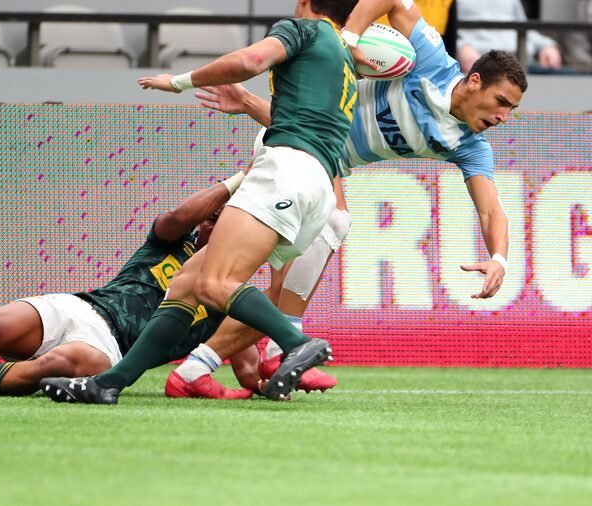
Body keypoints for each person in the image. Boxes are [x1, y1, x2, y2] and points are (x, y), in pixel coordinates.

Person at [165, 0, 529, 398]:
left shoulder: (471, 145)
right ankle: (276, 349)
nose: (504, 116)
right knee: (330, 227)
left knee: (226, 280)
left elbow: (491, 208)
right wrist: (348, 38)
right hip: (301, 156)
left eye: (512, 109)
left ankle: (196, 357)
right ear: (474, 81)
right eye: (502, 102)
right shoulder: (429, 60)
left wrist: (499, 258)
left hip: (318, 160)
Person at [39, 0, 360, 405]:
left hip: (285, 171)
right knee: (187, 284)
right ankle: (109, 383)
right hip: (319, 185)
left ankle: (295, 342)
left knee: (214, 284)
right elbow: (305, 116)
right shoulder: (343, 55)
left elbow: (253, 59)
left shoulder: (304, 30)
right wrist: (246, 104)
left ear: (304, 3)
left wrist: (180, 82)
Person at [0, 174, 257, 399]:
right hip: (80, 307)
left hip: (111, 350)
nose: (211, 224)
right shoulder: (169, 240)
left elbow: (245, 362)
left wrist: (259, 383)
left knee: (53, 367)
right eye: (210, 218)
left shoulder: (227, 293)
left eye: (222, 221)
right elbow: (179, 215)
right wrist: (242, 178)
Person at [457, 0, 562, 73]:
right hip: (481, 67)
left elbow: (523, 27)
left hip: (522, 64)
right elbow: (443, 31)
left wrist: (547, 46)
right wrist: (460, 47)